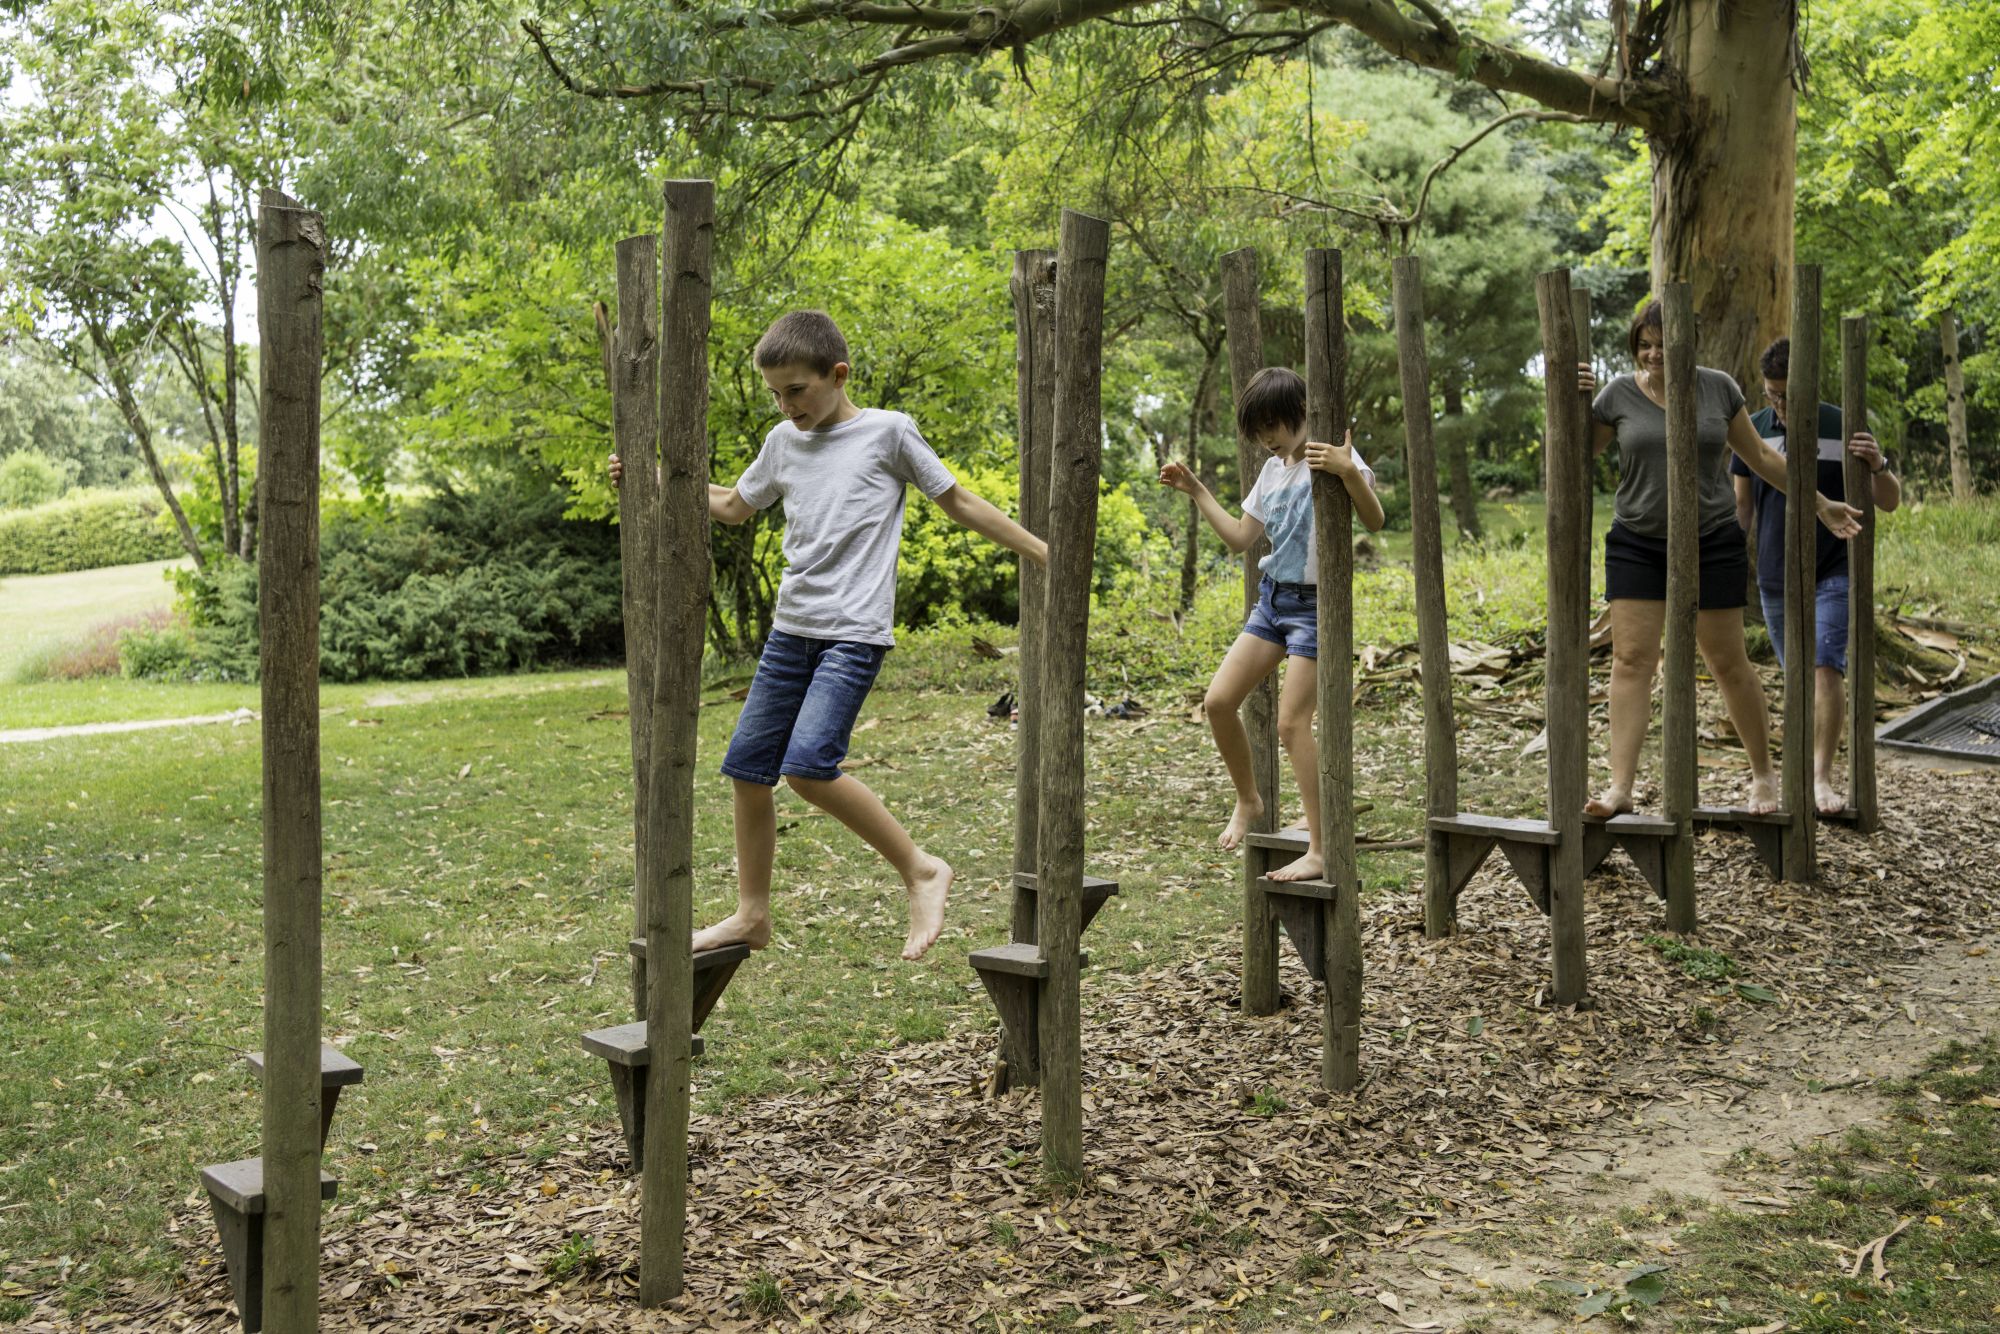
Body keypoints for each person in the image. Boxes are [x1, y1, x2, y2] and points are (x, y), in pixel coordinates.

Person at [611, 310, 1047, 961]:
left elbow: (958, 500)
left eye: (797, 390)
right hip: (792, 634)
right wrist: (655, 481)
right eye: (776, 395)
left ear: (837, 374)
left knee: (809, 767)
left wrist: (1045, 552)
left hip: (852, 635)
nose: (787, 406)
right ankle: (751, 915)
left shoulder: (888, 434)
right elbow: (734, 507)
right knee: (746, 769)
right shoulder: (783, 444)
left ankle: (922, 869)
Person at [1579, 300, 1862, 818]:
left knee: (1727, 661)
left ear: (1689, 341)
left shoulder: (1719, 388)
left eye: (1664, 343)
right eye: (1644, 343)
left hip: (1711, 538)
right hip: (1638, 540)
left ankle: (1762, 777)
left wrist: (1819, 504)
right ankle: (1620, 787)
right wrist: (1569, 396)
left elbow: (1759, 458)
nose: (1653, 353)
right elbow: (1577, 450)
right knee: (1631, 660)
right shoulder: (1616, 394)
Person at [1159, 367, 1386, 882]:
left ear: (1299, 411)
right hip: (1272, 602)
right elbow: (1242, 539)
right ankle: (1249, 799)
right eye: (1257, 429)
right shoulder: (1271, 470)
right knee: (1217, 702)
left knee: (1290, 723)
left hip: (1315, 608)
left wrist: (1349, 472)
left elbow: (1374, 520)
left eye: (1271, 425)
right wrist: (1197, 491)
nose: (1265, 437)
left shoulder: (1329, 457)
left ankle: (1322, 847)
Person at [1732, 335, 1900, 815]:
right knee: (1798, 675)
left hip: (1834, 566)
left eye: (1789, 394)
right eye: (1772, 393)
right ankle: (1792, 773)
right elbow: (1742, 508)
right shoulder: (1754, 429)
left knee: (1826, 666)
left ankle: (1821, 778)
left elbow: (1888, 500)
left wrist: (1878, 465)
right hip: (1773, 572)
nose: (1780, 404)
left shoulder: (1841, 424)